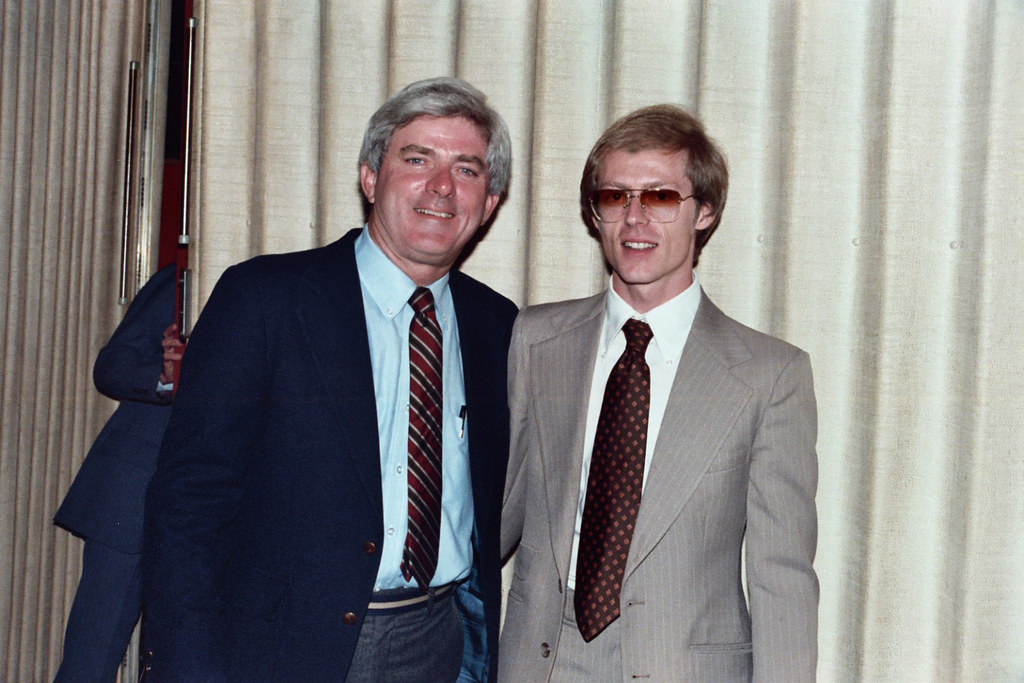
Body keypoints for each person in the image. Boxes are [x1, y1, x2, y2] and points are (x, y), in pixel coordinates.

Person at [142, 77, 517, 681]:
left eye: (467, 170)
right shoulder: (265, 299)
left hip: (438, 642)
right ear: (371, 177)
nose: (442, 187)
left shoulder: (497, 326)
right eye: (417, 159)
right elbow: (189, 503)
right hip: (285, 649)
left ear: (490, 202)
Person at [499, 105, 818, 681]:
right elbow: (496, 514)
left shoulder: (770, 375)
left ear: (705, 212)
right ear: (595, 214)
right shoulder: (535, 339)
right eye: (616, 197)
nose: (635, 220)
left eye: (662, 198)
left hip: (684, 665)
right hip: (541, 658)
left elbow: (781, 575)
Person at [53, 263, 185, 682]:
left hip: (220, 513)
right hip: (131, 504)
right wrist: (164, 380)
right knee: (88, 665)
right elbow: (112, 366)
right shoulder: (184, 278)